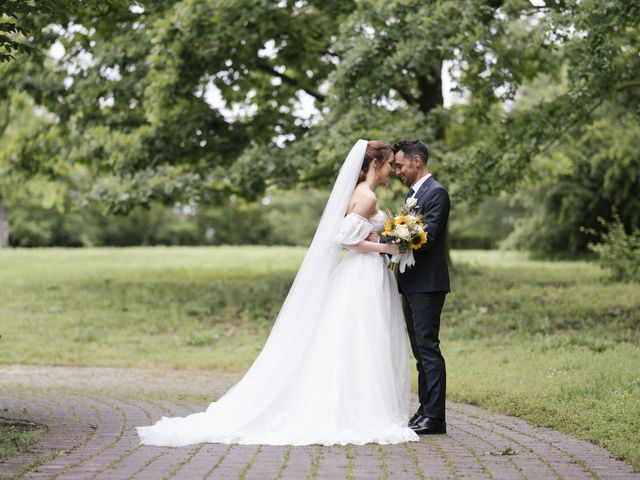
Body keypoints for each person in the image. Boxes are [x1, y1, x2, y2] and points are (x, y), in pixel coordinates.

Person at [135, 140, 419, 446]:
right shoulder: (365, 196)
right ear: (376, 164)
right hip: (362, 275)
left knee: (358, 338)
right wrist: (387, 246)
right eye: (390, 163)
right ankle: (360, 410)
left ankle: (362, 403)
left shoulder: (364, 195)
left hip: (365, 273)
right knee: (361, 337)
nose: (393, 169)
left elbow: (356, 233)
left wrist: (380, 239)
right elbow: (346, 240)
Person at [393, 138, 450, 435]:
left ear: (417, 161)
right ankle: (425, 410)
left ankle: (436, 418)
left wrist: (394, 239)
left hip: (428, 284)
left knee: (428, 348)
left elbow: (426, 238)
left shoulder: (437, 193)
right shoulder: (412, 194)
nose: (396, 171)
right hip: (411, 283)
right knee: (420, 350)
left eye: (400, 165)